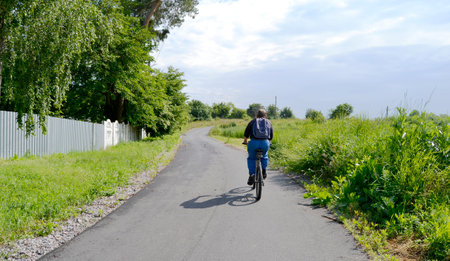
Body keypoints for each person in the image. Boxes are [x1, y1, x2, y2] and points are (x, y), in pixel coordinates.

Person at [242, 109, 274, 186]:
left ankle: (252, 175)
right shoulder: (268, 122)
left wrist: (245, 141)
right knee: (265, 155)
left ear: (257, 115)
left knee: (251, 158)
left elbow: (246, 133)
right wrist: (269, 142)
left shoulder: (253, 121)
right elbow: (271, 135)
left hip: (253, 143)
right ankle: (264, 170)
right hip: (264, 143)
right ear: (265, 116)